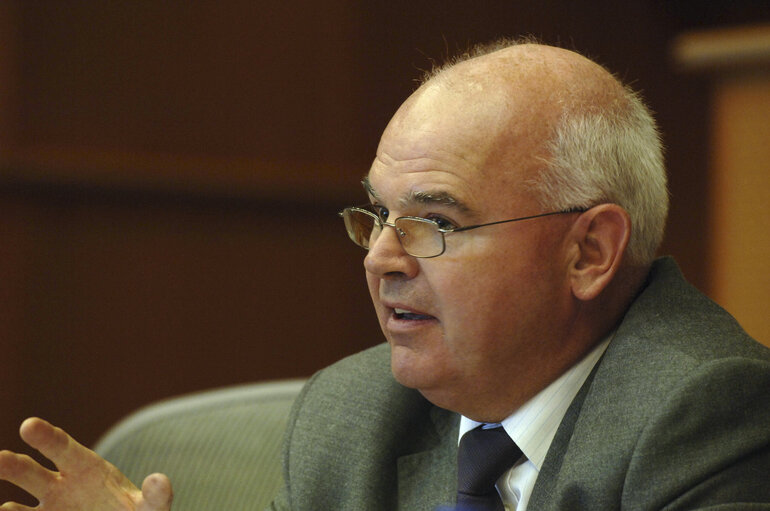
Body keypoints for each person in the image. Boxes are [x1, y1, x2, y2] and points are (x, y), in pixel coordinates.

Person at [1, 38, 769, 511]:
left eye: (435, 223)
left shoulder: (707, 413)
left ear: (589, 253)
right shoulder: (355, 414)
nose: (380, 258)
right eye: (377, 216)